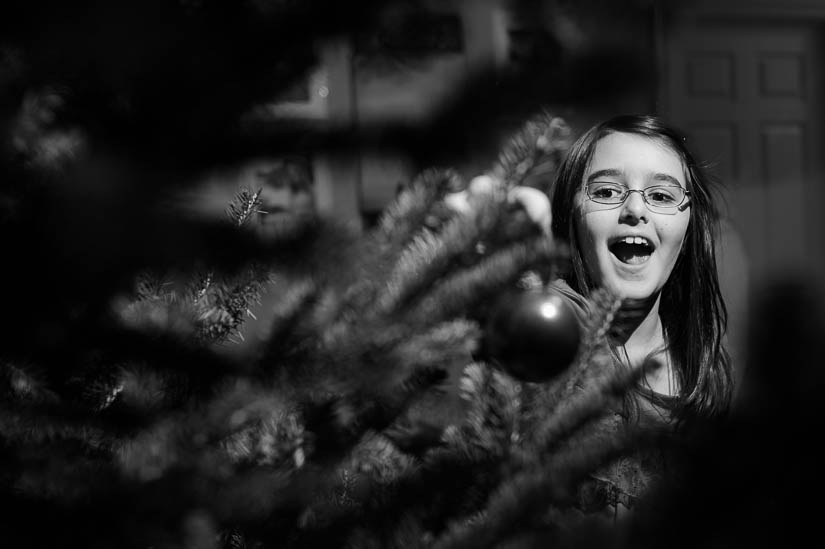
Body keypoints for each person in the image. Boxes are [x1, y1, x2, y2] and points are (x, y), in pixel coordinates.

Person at [549, 114, 732, 427]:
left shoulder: (703, 363)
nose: (635, 210)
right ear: (572, 215)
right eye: (606, 192)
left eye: (661, 196)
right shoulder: (552, 327)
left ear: (688, 231)